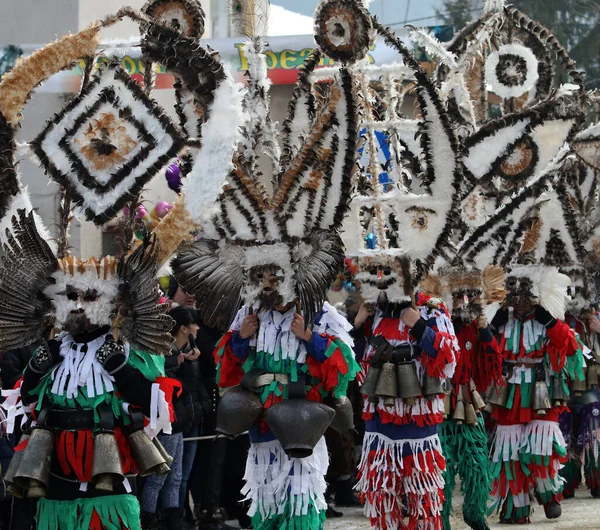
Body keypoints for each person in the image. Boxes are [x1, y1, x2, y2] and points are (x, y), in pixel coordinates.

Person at [352, 256, 459, 530]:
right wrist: (356, 327)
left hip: (418, 418)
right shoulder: (372, 311)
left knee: (423, 496)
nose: (382, 278)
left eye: (389, 272)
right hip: (380, 418)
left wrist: (418, 325)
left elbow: (449, 359)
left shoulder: (433, 309)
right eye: (377, 272)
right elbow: (352, 363)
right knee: (382, 496)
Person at [486, 279, 586, 524]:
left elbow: (571, 347)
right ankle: (515, 508)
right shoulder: (501, 319)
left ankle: (549, 494)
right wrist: (489, 328)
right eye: (515, 298)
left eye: (525, 298)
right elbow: (483, 352)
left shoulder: (547, 319)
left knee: (540, 448)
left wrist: (550, 323)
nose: (520, 304)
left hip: (541, 390)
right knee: (509, 453)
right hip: (509, 393)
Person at [141, 306, 204, 530]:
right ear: (184, 328)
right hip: (163, 420)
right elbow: (162, 380)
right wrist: (181, 363)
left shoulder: (187, 351)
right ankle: (149, 519)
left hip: (178, 421)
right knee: (159, 476)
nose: (198, 328)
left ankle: (173, 521)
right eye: (194, 324)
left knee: (176, 477)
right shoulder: (162, 351)